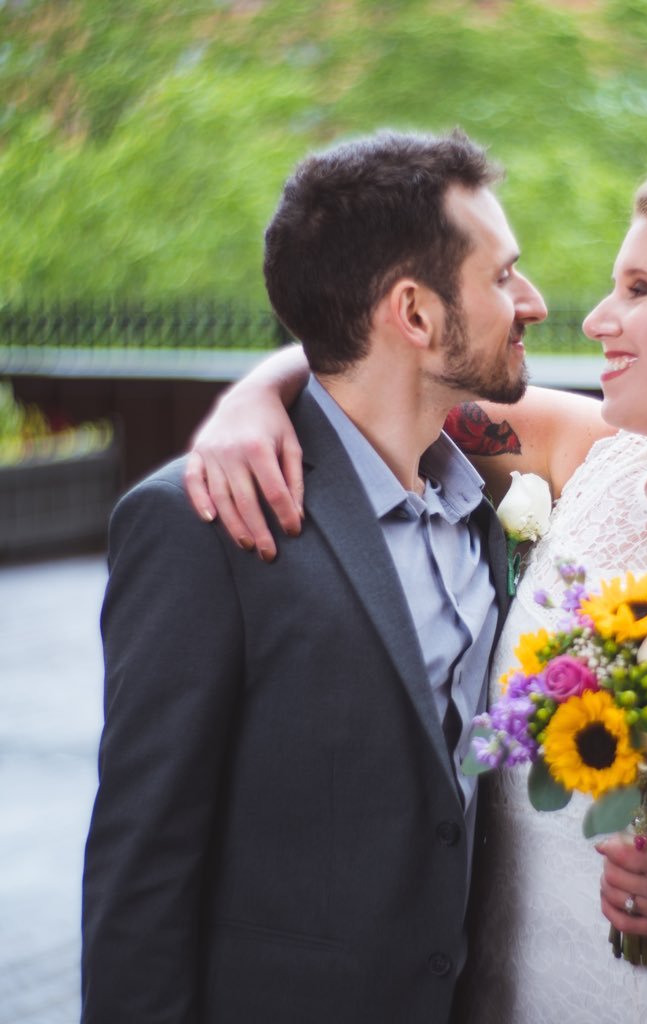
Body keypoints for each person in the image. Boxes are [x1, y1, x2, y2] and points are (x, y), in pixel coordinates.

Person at [185, 175, 647, 1022]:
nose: (596, 319)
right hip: (508, 988)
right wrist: (252, 397)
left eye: (639, 290)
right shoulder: (580, 454)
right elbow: (386, 372)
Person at [80, 129, 553, 1024]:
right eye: (502, 276)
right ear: (413, 314)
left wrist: (263, 379)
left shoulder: (490, 495)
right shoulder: (200, 522)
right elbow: (143, 858)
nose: (530, 300)